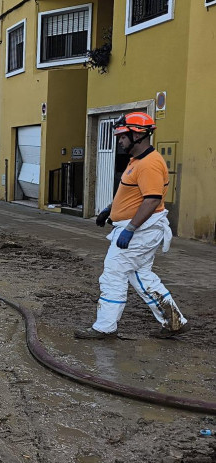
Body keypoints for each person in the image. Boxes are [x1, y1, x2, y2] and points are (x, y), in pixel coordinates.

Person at [74, 112, 188, 339]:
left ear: (137, 134)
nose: (119, 141)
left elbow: (152, 199)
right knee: (141, 276)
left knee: (113, 274)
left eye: (122, 136)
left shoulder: (149, 164)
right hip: (140, 231)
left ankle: (105, 327)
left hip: (140, 232)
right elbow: (132, 194)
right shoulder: (137, 161)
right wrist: (109, 209)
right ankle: (174, 321)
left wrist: (130, 228)